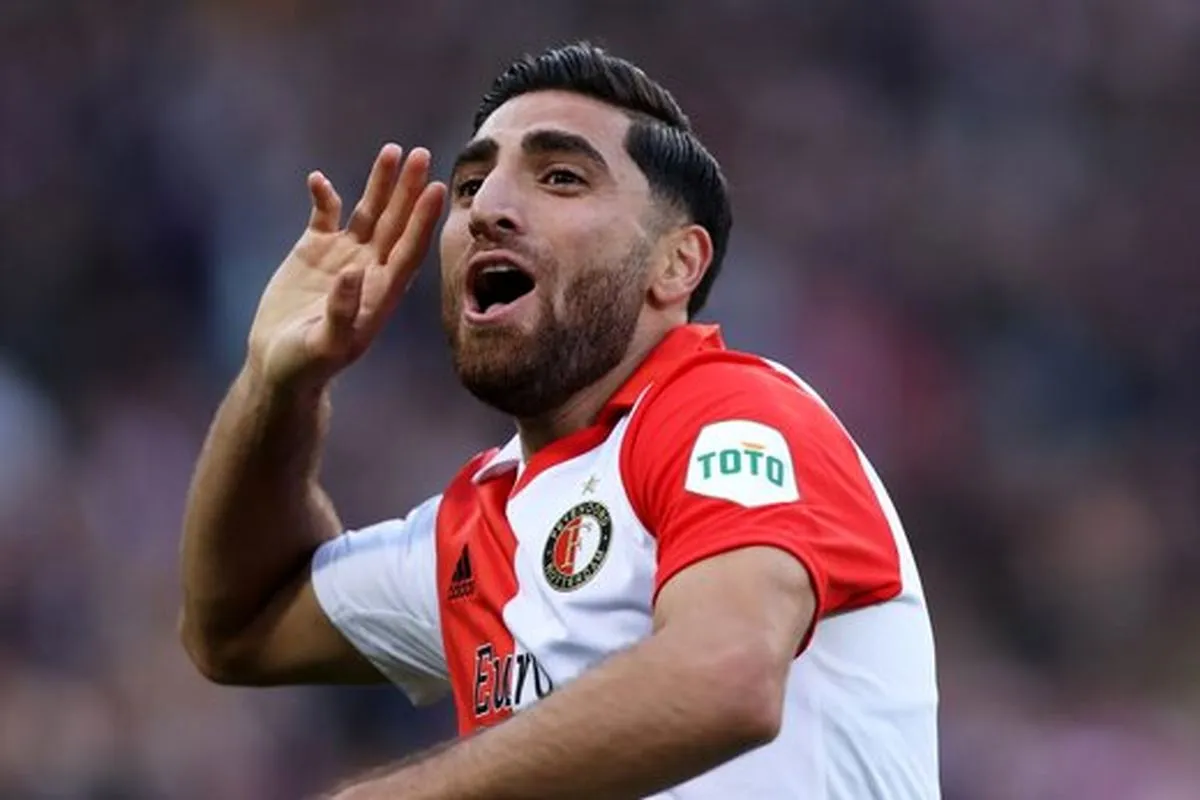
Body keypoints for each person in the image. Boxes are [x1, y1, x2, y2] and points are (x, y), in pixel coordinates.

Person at [179, 42, 939, 799]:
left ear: (676, 264)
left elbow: (728, 675)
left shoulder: (728, 412)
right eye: (470, 185)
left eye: (562, 178)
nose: (488, 210)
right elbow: (238, 627)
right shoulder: (477, 525)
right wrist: (276, 384)